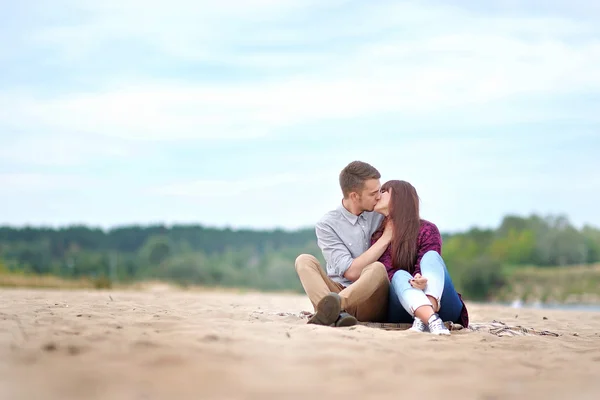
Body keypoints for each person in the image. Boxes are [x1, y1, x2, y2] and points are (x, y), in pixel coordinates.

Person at [294, 161, 392, 327]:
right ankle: (336, 313)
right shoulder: (327, 224)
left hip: (372, 298)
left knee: (377, 269)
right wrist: (385, 238)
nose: (378, 197)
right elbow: (351, 272)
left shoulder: (380, 212)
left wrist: (392, 213)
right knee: (303, 260)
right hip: (339, 288)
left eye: (380, 191)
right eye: (373, 193)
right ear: (354, 196)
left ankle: (331, 310)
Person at [371, 180, 469, 335]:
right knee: (399, 275)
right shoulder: (378, 237)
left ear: (398, 198)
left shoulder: (427, 230)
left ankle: (427, 315)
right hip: (403, 308)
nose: (378, 195)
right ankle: (431, 319)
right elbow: (386, 276)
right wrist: (411, 281)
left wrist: (420, 278)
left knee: (431, 256)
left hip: (441, 304)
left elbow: (429, 265)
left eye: (384, 191)